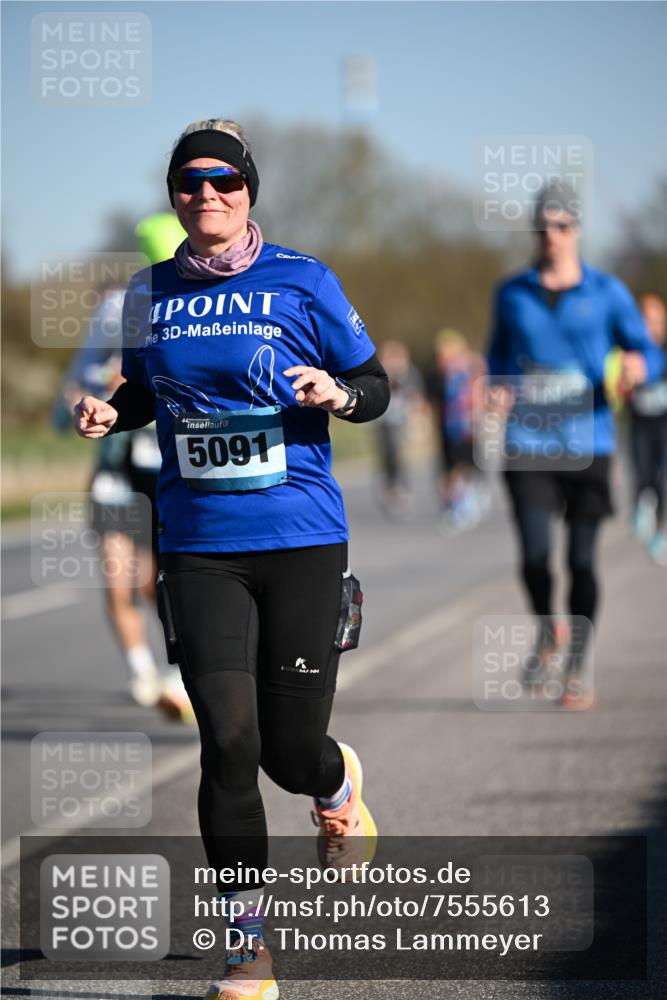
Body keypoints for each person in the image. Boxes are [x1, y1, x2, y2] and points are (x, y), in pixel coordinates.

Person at [74, 118, 389, 1000]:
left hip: (299, 537)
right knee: (227, 744)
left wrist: (338, 392)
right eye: (188, 181)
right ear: (172, 195)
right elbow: (145, 387)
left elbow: (374, 384)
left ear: (249, 189)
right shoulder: (148, 291)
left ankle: (333, 787)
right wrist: (112, 411)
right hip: (198, 544)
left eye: (223, 179)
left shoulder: (302, 279)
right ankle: (246, 947)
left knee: (288, 751)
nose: (205, 193)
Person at [487, 181, 664, 709]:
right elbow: (496, 352)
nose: (552, 237)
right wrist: (496, 384)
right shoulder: (511, 292)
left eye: (562, 226)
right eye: (543, 227)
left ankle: (579, 666)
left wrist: (640, 365)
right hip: (527, 440)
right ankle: (549, 630)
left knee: (583, 563)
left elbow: (650, 353)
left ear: (578, 230)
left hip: (590, 441)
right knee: (536, 558)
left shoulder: (608, 292)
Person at [429, 328, 487, 531]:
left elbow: (481, 391)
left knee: (465, 466)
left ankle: (464, 504)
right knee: (450, 467)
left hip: (467, 424)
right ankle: (455, 504)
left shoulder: (471, 366)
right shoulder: (440, 372)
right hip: (448, 425)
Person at [628, 293, 667, 563]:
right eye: (645, 320)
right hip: (640, 423)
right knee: (643, 472)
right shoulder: (632, 353)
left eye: (655, 321)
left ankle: (661, 531)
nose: (650, 326)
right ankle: (642, 506)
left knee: (663, 476)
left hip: (664, 423)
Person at [374, 340, 424, 516]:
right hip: (383, 419)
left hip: (401, 420)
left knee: (399, 453)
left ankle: (402, 488)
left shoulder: (409, 373)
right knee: (386, 453)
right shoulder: (379, 372)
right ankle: (389, 486)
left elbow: (416, 396)